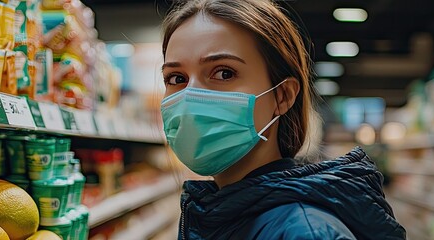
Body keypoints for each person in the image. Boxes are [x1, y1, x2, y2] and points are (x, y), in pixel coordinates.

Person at [159, 0, 406, 239]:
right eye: (176, 78)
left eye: (224, 73)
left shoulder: (306, 232)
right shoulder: (215, 211)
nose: (191, 96)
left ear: (283, 96)